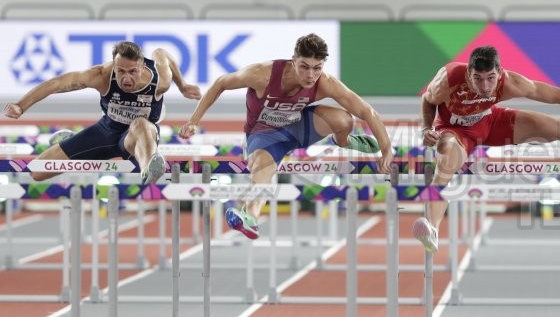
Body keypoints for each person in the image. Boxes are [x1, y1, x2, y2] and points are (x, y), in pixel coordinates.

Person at [178, 33, 393, 240]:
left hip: (299, 126)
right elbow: (221, 83)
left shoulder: (325, 82)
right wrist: (194, 120)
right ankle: (249, 216)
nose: (311, 75)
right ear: (293, 61)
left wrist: (387, 150)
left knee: (346, 120)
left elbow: (367, 111)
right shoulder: (262, 74)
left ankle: (343, 141)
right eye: (305, 67)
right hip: (264, 135)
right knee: (263, 172)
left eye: (317, 68)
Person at [412, 46, 560, 253]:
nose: (485, 85)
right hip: (455, 131)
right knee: (445, 166)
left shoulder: (510, 82)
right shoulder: (449, 79)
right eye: (477, 78)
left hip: (490, 122)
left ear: (499, 72)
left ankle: (526, 153)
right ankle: (432, 229)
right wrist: (427, 129)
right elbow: (427, 101)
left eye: (490, 78)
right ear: (468, 74)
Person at [3, 41, 201, 184]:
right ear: (114, 67)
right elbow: (57, 83)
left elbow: (162, 53)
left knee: (140, 124)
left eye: (132, 71)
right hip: (106, 131)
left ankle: (150, 167)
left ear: (142, 66)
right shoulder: (102, 75)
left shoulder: (160, 80)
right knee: (37, 172)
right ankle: (82, 146)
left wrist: (182, 86)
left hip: (137, 139)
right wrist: (21, 105)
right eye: (121, 71)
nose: (126, 78)